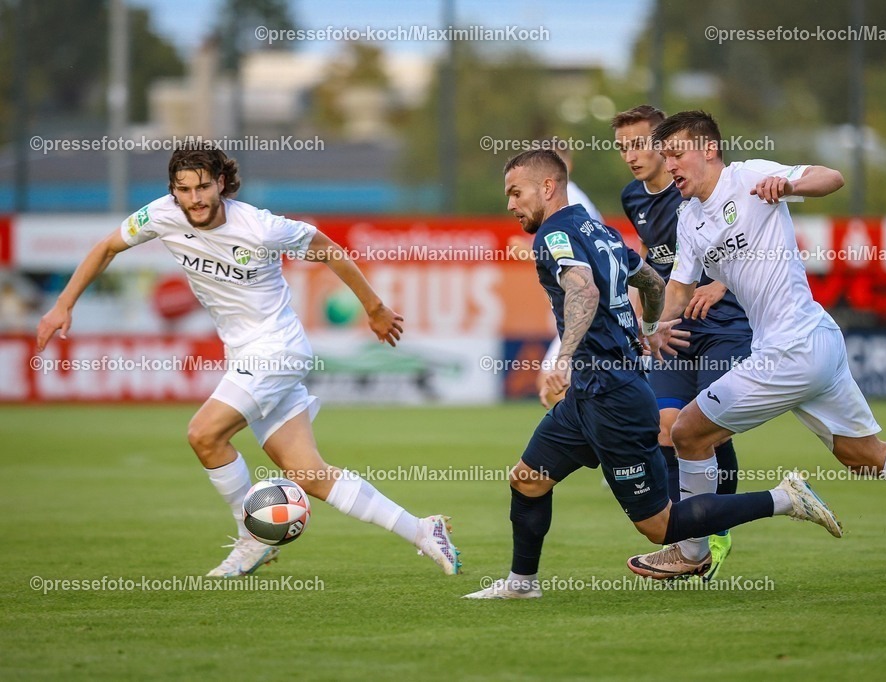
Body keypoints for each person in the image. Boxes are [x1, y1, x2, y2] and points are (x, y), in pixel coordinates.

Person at [35, 143, 461, 578]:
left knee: (203, 434)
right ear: (173, 191)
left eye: (203, 187)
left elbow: (329, 249)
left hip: (276, 350)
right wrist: (62, 305)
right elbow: (107, 247)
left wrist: (374, 308)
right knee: (309, 474)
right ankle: (423, 530)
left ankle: (252, 536)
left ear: (221, 183)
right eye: (184, 189)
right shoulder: (160, 214)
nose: (195, 199)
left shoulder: (260, 227)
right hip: (246, 355)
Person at [634, 110, 886, 580]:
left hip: (792, 347)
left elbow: (829, 177)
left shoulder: (748, 175)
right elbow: (679, 290)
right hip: (813, 343)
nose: (669, 165)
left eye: (676, 153)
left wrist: (789, 186)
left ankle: (690, 552)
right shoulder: (689, 219)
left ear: (709, 149)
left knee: (687, 433)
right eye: (665, 156)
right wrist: (648, 330)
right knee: (861, 453)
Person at [465, 149, 844, 599]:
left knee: (660, 527)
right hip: (589, 394)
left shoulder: (553, 234)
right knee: (528, 478)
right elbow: (650, 280)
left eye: (515, 192)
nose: (510, 204)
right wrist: (648, 330)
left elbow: (582, 289)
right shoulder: (598, 230)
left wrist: (563, 357)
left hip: (612, 396)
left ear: (547, 188)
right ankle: (522, 584)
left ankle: (784, 499)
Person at [613, 104, 753, 577]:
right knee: (666, 427)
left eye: (640, 144)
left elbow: (757, 239)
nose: (631, 155)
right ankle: (687, 538)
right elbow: (658, 261)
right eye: (622, 147)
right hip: (676, 325)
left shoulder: (701, 188)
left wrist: (724, 283)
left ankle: (716, 527)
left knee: (706, 428)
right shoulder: (634, 197)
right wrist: (644, 318)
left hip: (724, 323)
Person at [536, 144, 605, 409]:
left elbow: (582, 259)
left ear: (568, 166)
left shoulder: (569, 200)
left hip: (588, 306)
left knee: (553, 385)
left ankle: (598, 441)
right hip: (584, 304)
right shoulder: (571, 200)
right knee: (554, 386)